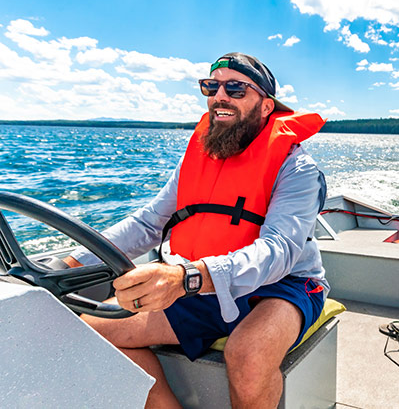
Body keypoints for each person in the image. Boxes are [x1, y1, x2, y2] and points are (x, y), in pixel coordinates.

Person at [64, 52, 328, 408]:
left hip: (283, 286)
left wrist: (186, 278)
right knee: (95, 329)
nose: (220, 95)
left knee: (248, 354)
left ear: (266, 106)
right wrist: (70, 264)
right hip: (201, 281)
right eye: (211, 86)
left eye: (236, 88)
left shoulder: (298, 168)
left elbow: (279, 250)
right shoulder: (196, 159)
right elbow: (147, 223)